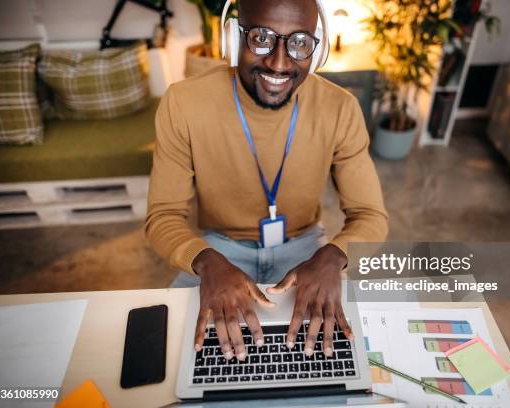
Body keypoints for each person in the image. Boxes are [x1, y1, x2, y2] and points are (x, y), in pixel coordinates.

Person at [145, 0, 387, 364]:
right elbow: (163, 215)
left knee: (335, 359)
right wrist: (206, 261)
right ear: (233, 38)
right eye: (260, 38)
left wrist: (334, 256)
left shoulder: (341, 108)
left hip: (306, 249)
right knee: (175, 358)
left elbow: (370, 215)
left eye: (299, 42)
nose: (279, 62)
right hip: (216, 249)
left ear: (315, 49)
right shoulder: (183, 103)